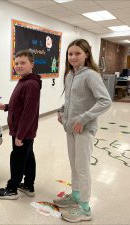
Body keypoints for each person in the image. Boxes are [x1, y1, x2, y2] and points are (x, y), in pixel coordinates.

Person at [54, 39, 112, 222]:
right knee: (74, 165)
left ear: (86, 54)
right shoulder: (70, 75)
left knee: (83, 168)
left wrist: (83, 118)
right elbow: (72, 100)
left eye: (77, 53)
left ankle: (85, 208)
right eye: (70, 54)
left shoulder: (91, 75)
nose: (73, 57)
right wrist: (62, 111)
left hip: (84, 129)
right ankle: (76, 196)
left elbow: (105, 101)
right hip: (70, 128)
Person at [0, 49, 41, 200]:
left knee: (18, 158)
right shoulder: (24, 81)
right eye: (16, 63)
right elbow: (20, 105)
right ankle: (28, 185)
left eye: (23, 63)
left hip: (22, 131)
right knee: (28, 156)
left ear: (31, 64)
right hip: (22, 130)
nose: (19, 66)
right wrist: (5, 107)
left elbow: (29, 112)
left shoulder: (31, 84)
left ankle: (12, 188)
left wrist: (20, 135)